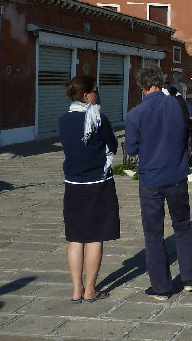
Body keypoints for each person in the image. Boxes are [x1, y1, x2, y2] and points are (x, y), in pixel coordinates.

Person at [124, 66, 192, 300]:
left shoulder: (135, 114)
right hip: (177, 175)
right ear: (161, 82)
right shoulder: (178, 105)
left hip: (150, 179)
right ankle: (189, 278)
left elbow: (131, 148)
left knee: (154, 234)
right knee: (183, 226)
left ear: (142, 86)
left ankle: (162, 287)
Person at [59, 75, 120, 303]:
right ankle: (90, 290)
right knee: (95, 237)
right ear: (86, 95)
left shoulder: (63, 120)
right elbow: (112, 144)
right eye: (95, 91)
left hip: (73, 184)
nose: (98, 94)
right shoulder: (98, 118)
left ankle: (76, 290)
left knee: (76, 238)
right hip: (97, 184)